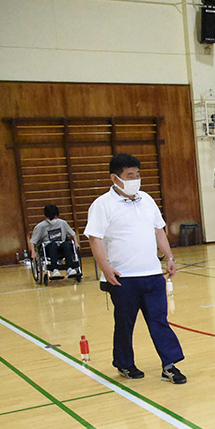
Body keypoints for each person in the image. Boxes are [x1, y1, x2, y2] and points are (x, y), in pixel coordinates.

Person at [84, 153, 187, 384]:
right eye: (130, 175)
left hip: (152, 275)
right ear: (114, 178)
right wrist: (106, 268)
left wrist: (169, 257)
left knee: (159, 320)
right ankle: (124, 363)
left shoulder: (147, 200)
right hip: (123, 278)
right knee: (124, 323)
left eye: (137, 175)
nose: (135, 179)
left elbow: (159, 230)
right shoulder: (102, 205)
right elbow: (94, 239)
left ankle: (169, 365)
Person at [29, 204, 80, 279]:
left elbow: (73, 234)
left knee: (66, 244)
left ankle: (70, 268)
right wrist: (33, 252)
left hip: (61, 246)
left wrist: (76, 243)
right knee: (53, 245)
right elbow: (33, 241)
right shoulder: (40, 227)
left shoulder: (63, 223)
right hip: (49, 248)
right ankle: (55, 269)